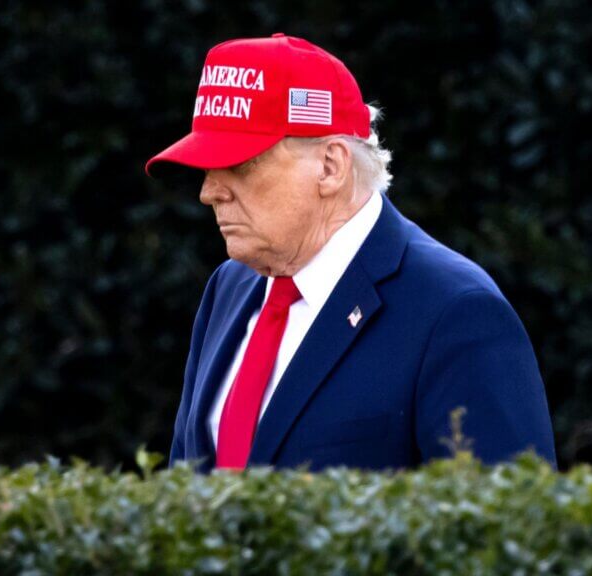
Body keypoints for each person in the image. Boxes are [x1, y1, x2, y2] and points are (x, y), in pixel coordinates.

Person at [147, 33, 556, 473]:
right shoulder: (229, 287)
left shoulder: (454, 311)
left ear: (330, 167)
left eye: (241, 164)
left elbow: (507, 527)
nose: (209, 192)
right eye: (208, 167)